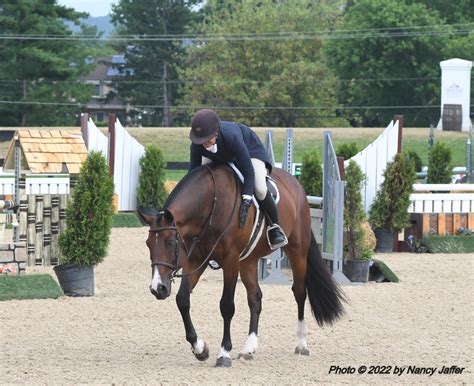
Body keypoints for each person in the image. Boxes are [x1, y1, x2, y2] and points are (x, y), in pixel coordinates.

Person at [188, 109, 288, 250]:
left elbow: (248, 172)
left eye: (207, 140)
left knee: (259, 188)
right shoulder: (198, 144)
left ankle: (275, 228)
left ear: (216, 133)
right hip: (223, 154)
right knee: (202, 181)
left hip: (249, 150)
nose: (205, 145)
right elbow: (192, 174)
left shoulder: (231, 137)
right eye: (201, 141)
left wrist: (247, 198)